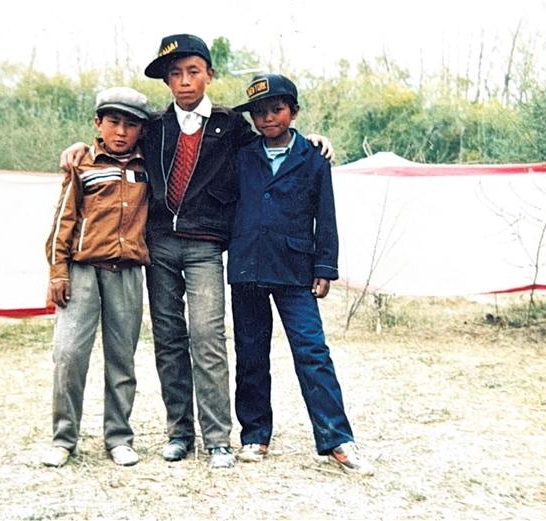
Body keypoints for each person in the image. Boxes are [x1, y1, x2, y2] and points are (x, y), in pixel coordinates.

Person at [61, 34, 333, 469]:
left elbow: (273, 141)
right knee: (169, 340)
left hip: (206, 247)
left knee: (208, 338)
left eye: (193, 72)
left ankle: (218, 438)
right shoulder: (154, 127)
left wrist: (312, 140)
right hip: (159, 246)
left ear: (209, 74)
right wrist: (79, 148)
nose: (185, 81)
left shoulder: (231, 125)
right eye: (175, 74)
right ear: (166, 81)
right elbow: (115, 145)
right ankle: (179, 432)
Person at [228, 73, 373, 475]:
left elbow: (325, 215)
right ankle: (255, 435)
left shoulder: (313, 157)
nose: (267, 118)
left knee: (312, 352)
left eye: (276, 109)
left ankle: (337, 438)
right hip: (247, 266)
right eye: (259, 112)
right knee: (250, 354)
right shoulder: (242, 154)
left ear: (293, 112)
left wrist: (325, 266)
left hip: (295, 270)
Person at [42, 87, 151, 468]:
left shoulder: (149, 164)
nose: (121, 132)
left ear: (142, 130)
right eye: (113, 122)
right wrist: (58, 271)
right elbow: (63, 220)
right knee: (69, 354)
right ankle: (63, 439)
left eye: (131, 125)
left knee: (122, 359)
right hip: (82, 271)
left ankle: (118, 437)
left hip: (127, 272)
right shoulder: (82, 164)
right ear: (97, 123)